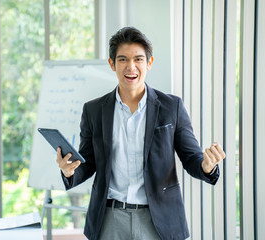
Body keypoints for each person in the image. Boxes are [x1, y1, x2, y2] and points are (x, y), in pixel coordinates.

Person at [56, 27, 226, 240]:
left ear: (149, 63)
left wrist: (206, 166)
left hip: (158, 219)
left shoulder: (171, 107)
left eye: (138, 59)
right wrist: (69, 171)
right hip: (109, 219)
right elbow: (88, 162)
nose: (131, 67)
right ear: (112, 64)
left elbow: (192, 158)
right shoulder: (93, 110)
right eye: (122, 60)